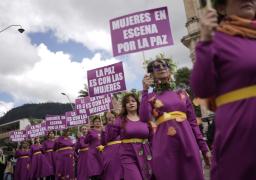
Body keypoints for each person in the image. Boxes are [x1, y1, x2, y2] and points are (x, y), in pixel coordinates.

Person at [190, 0, 256, 179]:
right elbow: (201, 88)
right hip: (241, 135)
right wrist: (204, 41)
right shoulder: (216, 39)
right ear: (221, 7)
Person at [141, 58, 210, 180]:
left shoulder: (182, 94)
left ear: (170, 70)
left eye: (165, 65)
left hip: (188, 143)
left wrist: (204, 149)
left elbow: (193, 123)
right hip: (164, 147)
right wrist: (145, 90)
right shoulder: (151, 96)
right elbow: (144, 117)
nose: (162, 68)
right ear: (151, 74)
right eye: (157, 67)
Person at [111, 93, 153, 180]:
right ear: (124, 106)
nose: (131, 103)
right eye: (127, 102)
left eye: (133, 101)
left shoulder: (144, 119)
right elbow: (109, 137)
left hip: (146, 154)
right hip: (128, 155)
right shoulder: (120, 120)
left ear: (137, 103)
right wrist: (112, 122)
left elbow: (152, 138)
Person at [101, 111, 122, 180]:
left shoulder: (120, 125)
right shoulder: (105, 128)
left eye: (113, 117)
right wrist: (103, 132)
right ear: (106, 120)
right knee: (112, 170)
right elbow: (103, 142)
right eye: (109, 119)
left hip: (122, 150)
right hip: (110, 152)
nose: (112, 119)